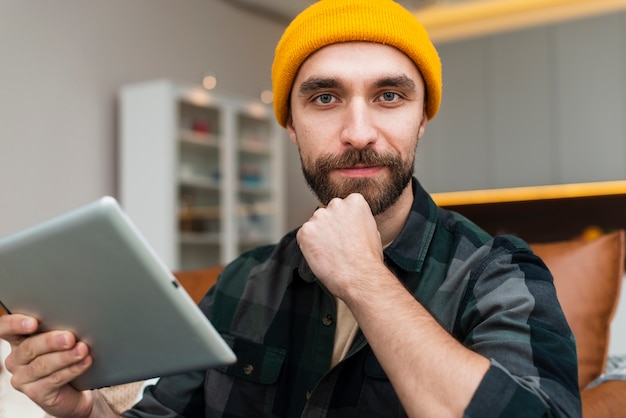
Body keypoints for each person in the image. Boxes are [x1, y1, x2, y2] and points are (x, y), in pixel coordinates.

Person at [0, 0, 581, 417]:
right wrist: (83, 413)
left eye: (389, 95)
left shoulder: (499, 273)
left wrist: (364, 279)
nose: (358, 132)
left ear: (422, 118)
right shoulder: (244, 281)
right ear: (291, 126)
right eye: (325, 98)